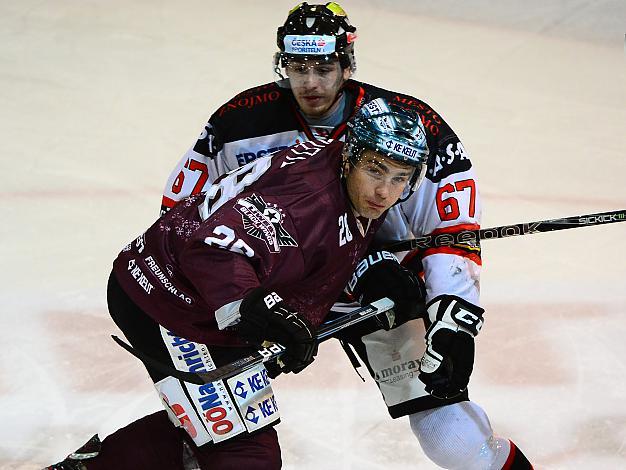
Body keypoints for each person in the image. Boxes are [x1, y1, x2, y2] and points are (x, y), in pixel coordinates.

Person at [158, 3, 534, 469]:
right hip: (265, 297)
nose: (310, 83)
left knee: (451, 436)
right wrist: (225, 297)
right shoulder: (239, 123)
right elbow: (184, 214)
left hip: (379, 294)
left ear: (347, 64)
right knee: (215, 435)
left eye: (323, 67)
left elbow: (450, 231)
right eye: (298, 68)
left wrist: (454, 320)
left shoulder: (410, 127)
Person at [46, 99, 429, 469]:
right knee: (247, 456)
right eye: (376, 170)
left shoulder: (340, 176)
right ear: (350, 157)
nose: (385, 192)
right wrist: (266, 315)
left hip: (184, 290)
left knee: (217, 431)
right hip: (171, 302)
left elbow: (313, 250)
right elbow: (213, 253)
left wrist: (372, 272)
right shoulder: (307, 201)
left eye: (400, 178)